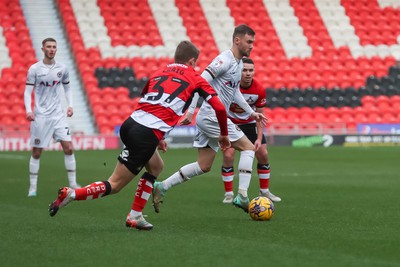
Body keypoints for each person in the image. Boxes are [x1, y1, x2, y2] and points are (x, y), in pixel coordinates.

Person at [48, 40, 230, 230]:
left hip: (131, 124)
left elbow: (148, 101)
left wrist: (157, 138)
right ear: (192, 61)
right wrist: (224, 135)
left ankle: (135, 215)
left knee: (156, 166)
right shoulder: (195, 77)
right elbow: (219, 107)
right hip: (145, 133)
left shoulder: (159, 73)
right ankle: (72, 194)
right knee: (115, 184)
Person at [153, 24, 268, 214]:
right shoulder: (224, 60)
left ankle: (162, 187)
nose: (252, 46)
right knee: (248, 148)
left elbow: (234, 91)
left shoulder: (239, 63)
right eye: (249, 42)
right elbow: (200, 81)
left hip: (209, 117)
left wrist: (251, 112)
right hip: (211, 116)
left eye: (253, 42)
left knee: (204, 165)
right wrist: (190, 111)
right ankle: (242, 195)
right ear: (237, 40)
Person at [220, 57, 281, 204]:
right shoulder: (230, 86)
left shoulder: (259, 90)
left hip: (249, 124)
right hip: (231, 123)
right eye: (244, 70)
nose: (247, 73)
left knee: (263, 154)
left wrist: (259, 139)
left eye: (250, 70)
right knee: (228, 156)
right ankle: (229, 194)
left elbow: (260, 116)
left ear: (254, 72)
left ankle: (264, 191)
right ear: (239, 72)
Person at [24, 37, 79, 197]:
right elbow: (27, 92)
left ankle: (73, 183)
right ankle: (32, 188)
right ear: (43, 49)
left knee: (69, 147)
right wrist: (29, 110)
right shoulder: (34, 69)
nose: (52, 49)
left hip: (58, 115)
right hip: (40, 117)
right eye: (48, 46)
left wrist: (70, 105)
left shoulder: (62, 68)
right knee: (36, 153)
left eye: (54, 47)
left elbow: (68, 88)